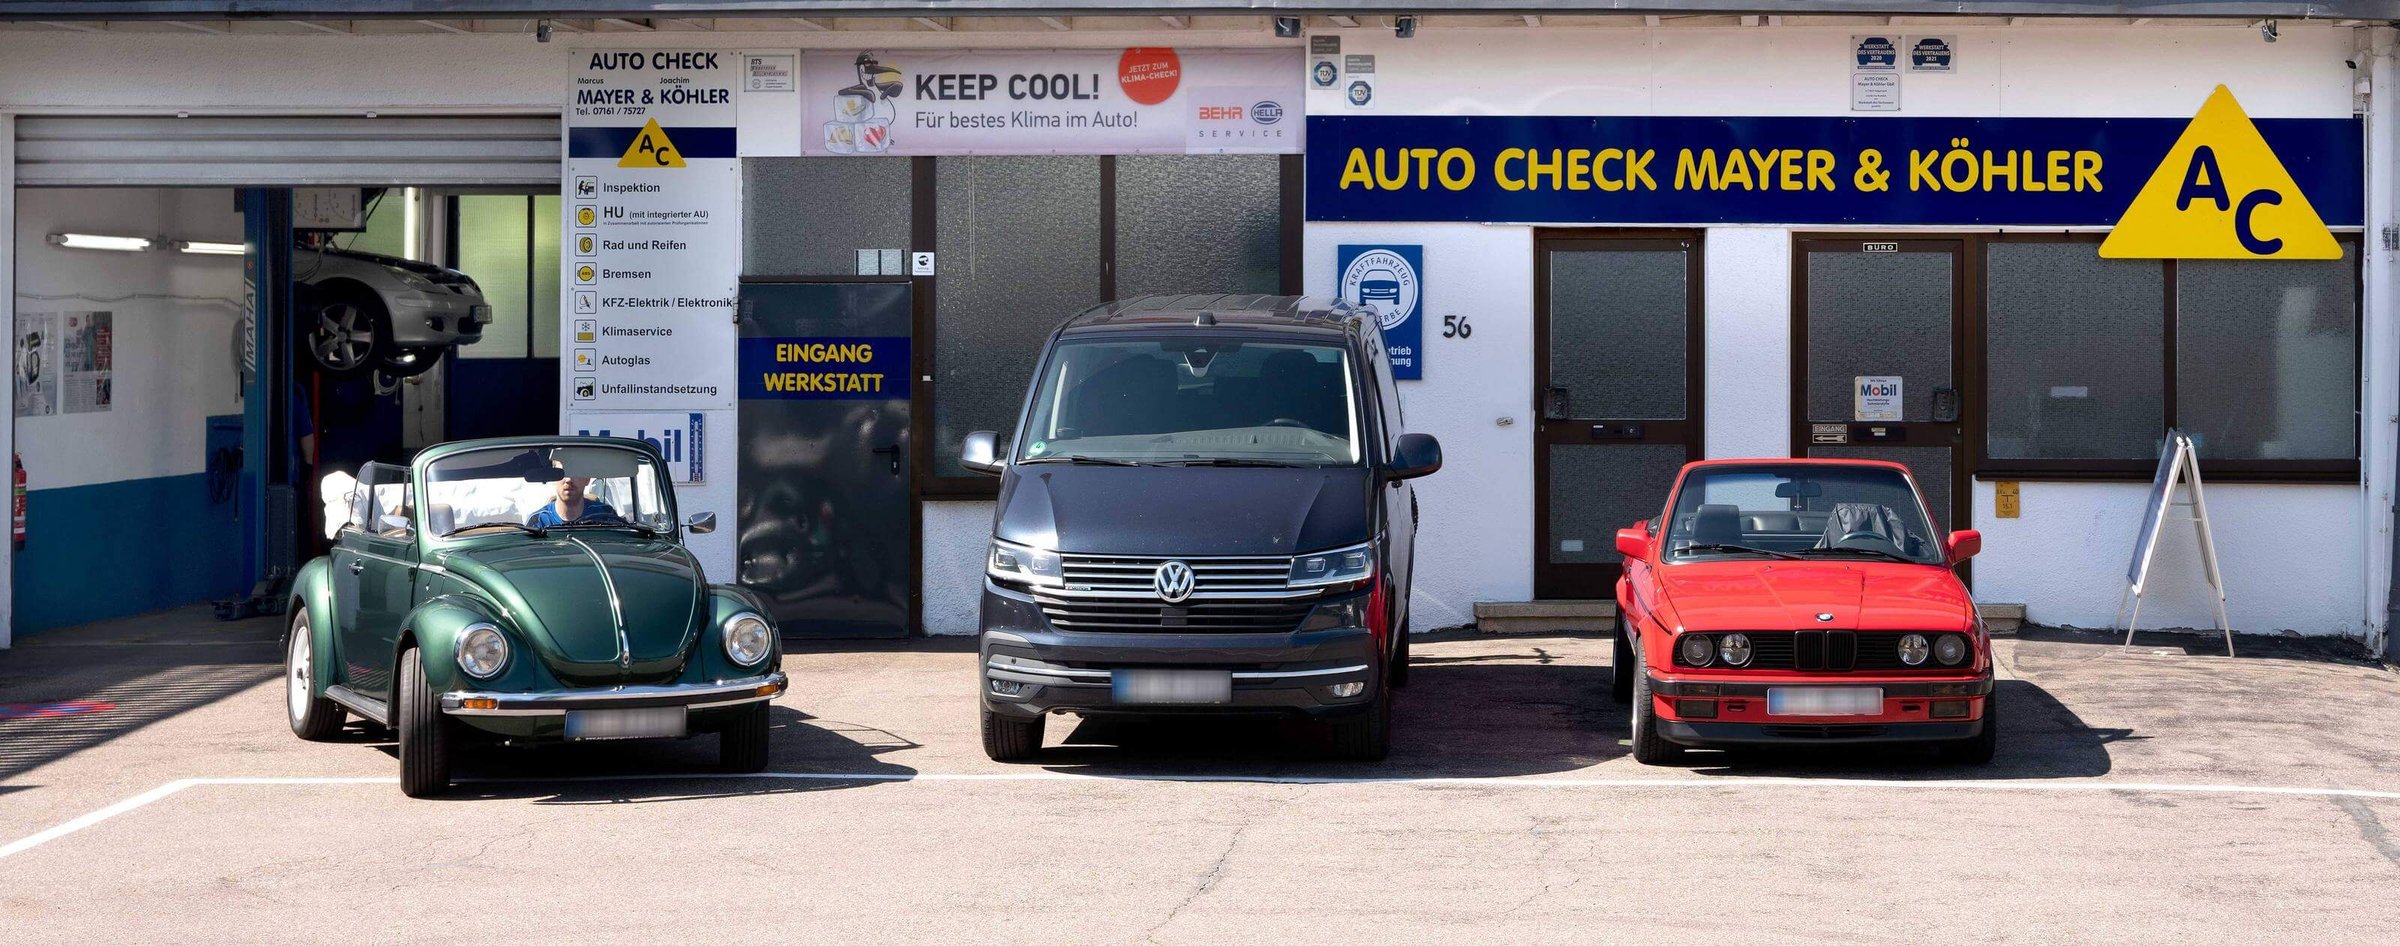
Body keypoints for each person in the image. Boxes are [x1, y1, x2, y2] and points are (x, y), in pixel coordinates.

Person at [526, 473, 617, 528]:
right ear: (553, 477)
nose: (569, 479)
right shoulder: (538, 521)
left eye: (575, 472)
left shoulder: (606, 515)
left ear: (587, 479)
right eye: (562, 473)